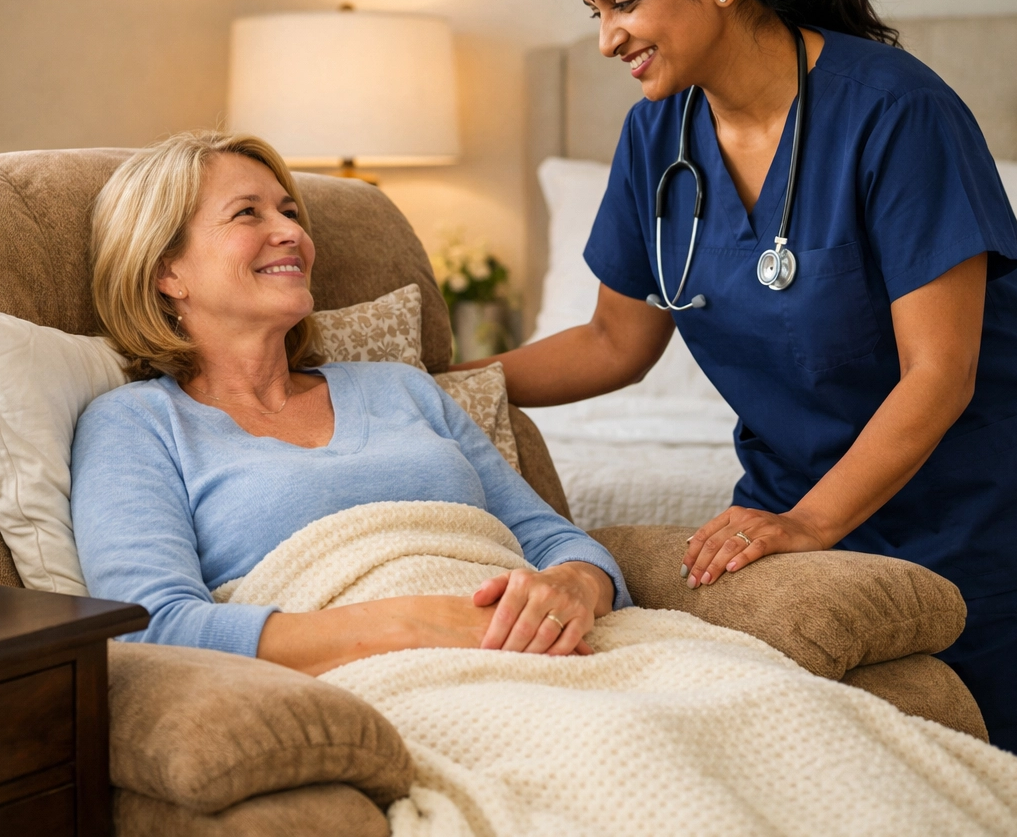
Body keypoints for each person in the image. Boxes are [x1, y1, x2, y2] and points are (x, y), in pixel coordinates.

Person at [461, 0, 1017, 775]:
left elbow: (942, 372)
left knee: (1014, 786)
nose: (607, 38)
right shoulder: (657, 131)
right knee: (823, 776)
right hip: (804, 485)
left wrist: (809, 526)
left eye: (623, 3)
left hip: (997, 495)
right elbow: (615, 341)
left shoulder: (893, 112)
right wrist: (437, 386)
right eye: (594, 11)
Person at [70, 130, 630, 678]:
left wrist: (574, 585)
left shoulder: (401, 387)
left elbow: (554, 539)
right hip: (386, 683)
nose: (290, 231)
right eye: (248, 213)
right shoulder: (136, 425)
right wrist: (409, 624)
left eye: (289, 212)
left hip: (545, 652)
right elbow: (149, 629)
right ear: (167, 270)